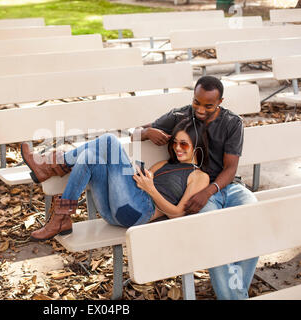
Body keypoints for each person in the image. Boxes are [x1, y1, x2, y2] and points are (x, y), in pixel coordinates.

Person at [132, 75, 259, 300]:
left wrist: (208, 191)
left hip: (225, 187)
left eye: (208, 105)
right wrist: (146, 132)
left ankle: (234, 294)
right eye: (196, 102)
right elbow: (137, 131)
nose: (200, 109)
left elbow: (230, 169)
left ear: (220, 101)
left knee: (252, 219)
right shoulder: (180, 115)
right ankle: (235, 296)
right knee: (213, 230)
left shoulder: (232, 123)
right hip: (194, 188)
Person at [20, 117, 209, 241]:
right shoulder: (163, 164)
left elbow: (177, 213)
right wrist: (135, 171)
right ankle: (62, 218)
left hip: (139, 213)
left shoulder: (199, 177)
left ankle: (49, 167)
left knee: (109, 140)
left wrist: (151, 189)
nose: (177, 148)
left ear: (197, 146)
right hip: (112, 213)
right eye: (175, 143)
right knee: (88, 159)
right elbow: (138, 184)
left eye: (184, 144)